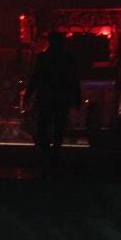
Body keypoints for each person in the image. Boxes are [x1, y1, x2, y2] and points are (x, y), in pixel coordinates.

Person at [23, 31, 82, 167]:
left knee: (43, 125)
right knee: (59, 127)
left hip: (46, 98)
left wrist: (28, 95)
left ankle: (46, 152)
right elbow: (74, 80)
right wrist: (77, 98)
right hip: (62, 99)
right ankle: (55, 153)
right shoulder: (68, 59)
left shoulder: (43, 58)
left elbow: (35, 78)